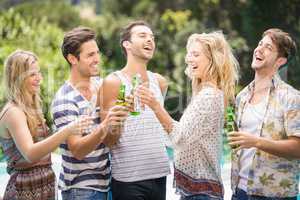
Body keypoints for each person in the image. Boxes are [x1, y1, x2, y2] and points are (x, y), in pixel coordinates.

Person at [137, 31, 239, 200]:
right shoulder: (207, 93)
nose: (188, 59)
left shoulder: (209, 96)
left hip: (201, 194)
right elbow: (180, 137)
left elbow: (179, 137)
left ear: (213, 59)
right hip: (197, 192)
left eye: (195, 54)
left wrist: (155, 105)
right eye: (189, 54)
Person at [0, 50, 92, 200]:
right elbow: (30, 154)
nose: (39, 79)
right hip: (24, 191)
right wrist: (68, 130)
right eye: (32, 74)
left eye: (39, 73)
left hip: (44, 186)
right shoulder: (13, 112)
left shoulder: (32, 109)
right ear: (17, 78)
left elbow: (46, 147)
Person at [51, 27, 129, 200]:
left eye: (97, 53)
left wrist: (121, 113)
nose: (97, 59)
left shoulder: (100, 85)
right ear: (72, 59)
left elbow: (112, 134)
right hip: (81, 190)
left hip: (106, 184)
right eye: (90, 55)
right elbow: (78, 150)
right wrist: (105, 125)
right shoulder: (65, 100)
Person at [99, 20, 170, 200]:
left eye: (152, 37)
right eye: (142, 36)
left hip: (160, 175)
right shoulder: (113, 82)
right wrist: (120, 117)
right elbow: (108, 140)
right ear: (127, 45)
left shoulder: (160, 82)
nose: (150, 40)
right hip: (128, 180)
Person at [228, 28, 300, 199]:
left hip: (274, 194)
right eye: (260, 44)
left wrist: (257, 142)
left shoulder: (292, 98)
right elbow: (236, 144)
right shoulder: (242, 96)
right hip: (239, 192)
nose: (259, 49)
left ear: (280, 61)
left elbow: (298, 148)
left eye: (268, 47)